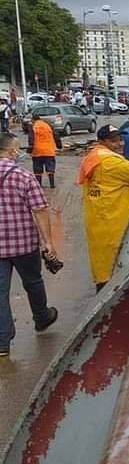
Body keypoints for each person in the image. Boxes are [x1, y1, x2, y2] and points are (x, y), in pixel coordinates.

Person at [77, 125, 129, 291]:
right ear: (101, 141)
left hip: (104, 221)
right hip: (113, 224)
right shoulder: (108, 161)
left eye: (121, 139)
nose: (120, 144)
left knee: (106, 269)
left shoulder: (96, 156)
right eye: (113, 141)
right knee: (113, 274)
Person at [0, 132, 59, 356]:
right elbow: (40, 210)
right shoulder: (23, 176)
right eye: (18, 149)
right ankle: (42, 318)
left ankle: (2, 342)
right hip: (23, 243)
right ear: (13, 151)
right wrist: (48, 242)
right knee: (33, 282)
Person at [29, 114, 59, 189]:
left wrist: (30, 149)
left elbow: (31, 139)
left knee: (37, 168)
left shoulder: (33, 126)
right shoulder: (48, 125)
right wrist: (59, 145)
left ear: (33, 120)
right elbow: (56, 135)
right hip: (49, 150)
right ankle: (52, 185)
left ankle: (39, 185)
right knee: (50, 168)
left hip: (37, 151)